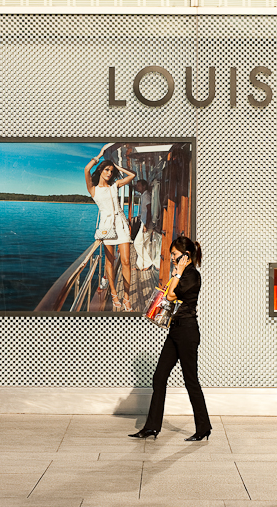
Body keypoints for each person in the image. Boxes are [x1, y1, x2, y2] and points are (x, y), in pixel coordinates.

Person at [129, 236, 212, 441]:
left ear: (186, 255)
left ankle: (203, 427)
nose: (172, 258)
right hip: (175, 330)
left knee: (190, 380)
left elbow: (172, 295)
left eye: (175, 254)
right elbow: (167, 291)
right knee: (159, 377)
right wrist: (176, 273)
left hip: (187, 332)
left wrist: (178, 273)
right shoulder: (181, 273)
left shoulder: (192, 275)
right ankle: (152, 427)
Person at [85, 152, 136, 311]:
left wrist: (117, 167)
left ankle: (126, 297)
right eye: (106, 170)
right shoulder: (93, 189)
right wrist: (98, 156)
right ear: (100, 170)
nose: (109, 173)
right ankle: (114, 293)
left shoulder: (115, 185)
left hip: (120, 225)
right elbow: (87, 170)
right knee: (110, 261)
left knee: (126, 261)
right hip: (107, 228)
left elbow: (132, 175)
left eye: (111, 171)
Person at [132, 180, 154, 271]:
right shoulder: (143, 195)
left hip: (146, 223)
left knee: (137, 243)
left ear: (144, 186)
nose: (137, 187)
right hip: (144, 222)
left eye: (139, 185)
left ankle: (148, 263)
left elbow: (149, 209)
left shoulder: (146, 195)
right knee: (143, 244)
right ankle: (140, 265)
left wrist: (146, 224)